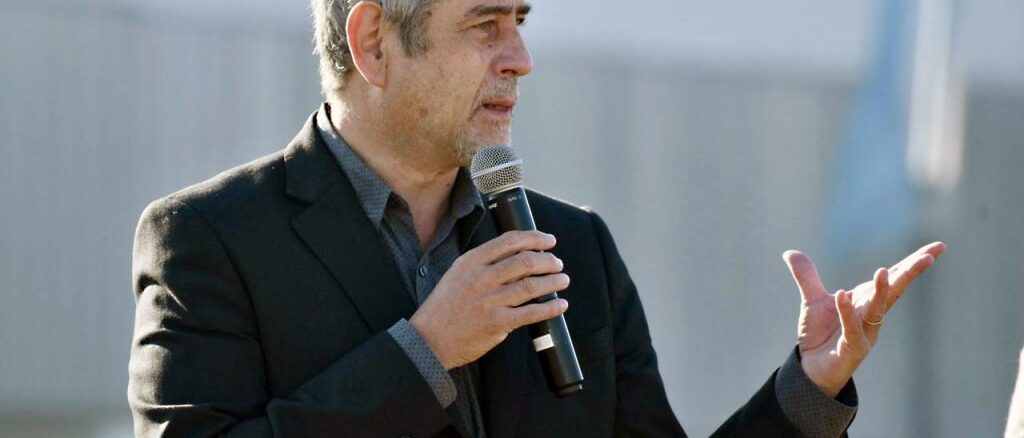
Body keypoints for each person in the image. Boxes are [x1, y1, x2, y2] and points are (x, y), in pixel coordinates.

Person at [126, 1, 946, 436]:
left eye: (520, 21)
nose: (520, 58)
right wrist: (424, 353)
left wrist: (807, 391)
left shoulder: (574, 248)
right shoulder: (209, 239)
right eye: (486, 24)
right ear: (373, 41)